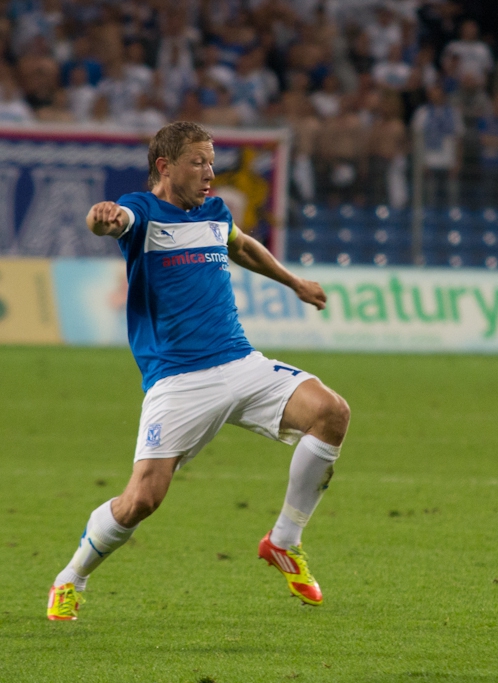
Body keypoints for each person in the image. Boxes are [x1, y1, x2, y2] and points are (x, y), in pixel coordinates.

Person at [47, 122, 351, 621]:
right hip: (178, 380)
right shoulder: (142, 211)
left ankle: (283, 541)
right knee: (142, 500)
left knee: (331, 412)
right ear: (165, 167)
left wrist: (293, 282)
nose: (210, 173)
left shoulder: (214, 211)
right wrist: (100, 218)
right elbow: (110, 222)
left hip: (241, 363)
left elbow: (241, 245)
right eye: (198, 162)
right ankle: (71, 577)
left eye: (212, 162)